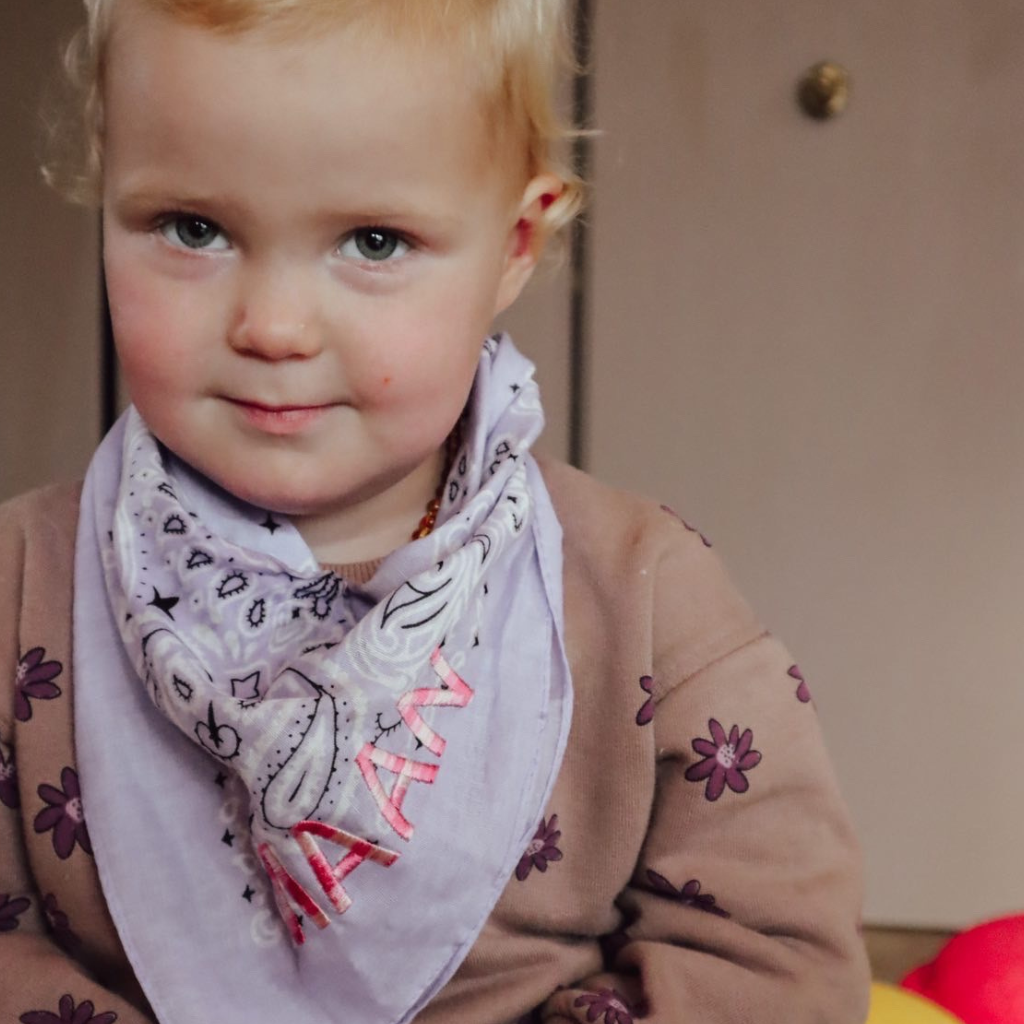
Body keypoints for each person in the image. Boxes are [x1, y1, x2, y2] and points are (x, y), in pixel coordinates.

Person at [0, 1, 871, 1021]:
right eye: (193, 228)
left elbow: (775, 959)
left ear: (512, 243)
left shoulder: (643, 603)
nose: (273, 326)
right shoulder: (24, 584)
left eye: (373, 240)